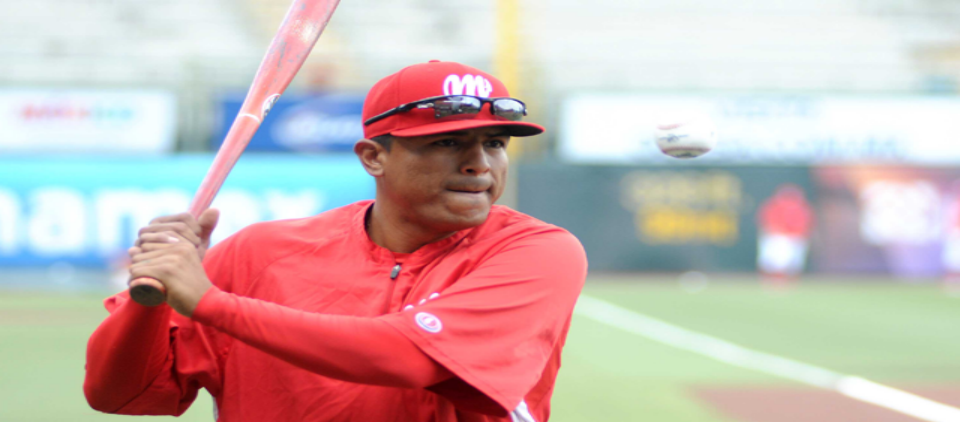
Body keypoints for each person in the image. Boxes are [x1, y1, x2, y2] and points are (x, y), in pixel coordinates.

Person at [83, 61, 588, 422]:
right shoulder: (257, 253)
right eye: (447, 142)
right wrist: (147, 299)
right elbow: (119, 395)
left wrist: (210, 302)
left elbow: (409, 358)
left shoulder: (537, 251)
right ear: (373, 157)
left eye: (495, 143)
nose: (480, 163)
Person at [756, 184, 813, 288]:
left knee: (793, 263)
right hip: (778, 237)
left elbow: (805, 224)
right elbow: (768, 222)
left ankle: (789, 283)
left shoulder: (801, 207)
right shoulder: (774, 205)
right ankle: (772, 282)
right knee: (774, 262)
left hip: (795, 238)